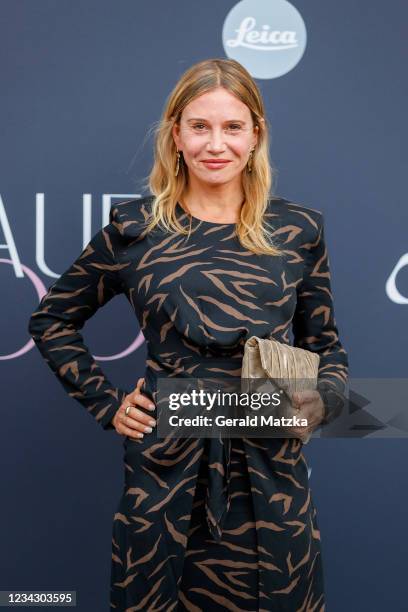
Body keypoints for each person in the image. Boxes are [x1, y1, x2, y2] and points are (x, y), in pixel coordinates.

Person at [28, 58, 348, 611]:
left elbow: (326, 346)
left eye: (232, 127)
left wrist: (320, 404)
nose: (215, 144)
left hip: (271, 471)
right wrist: (107, 404)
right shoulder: (135, 230)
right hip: (165, 470)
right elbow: (52, 320)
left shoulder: (298, 230)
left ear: (256, 135)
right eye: (199, 126)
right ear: (175, 134)